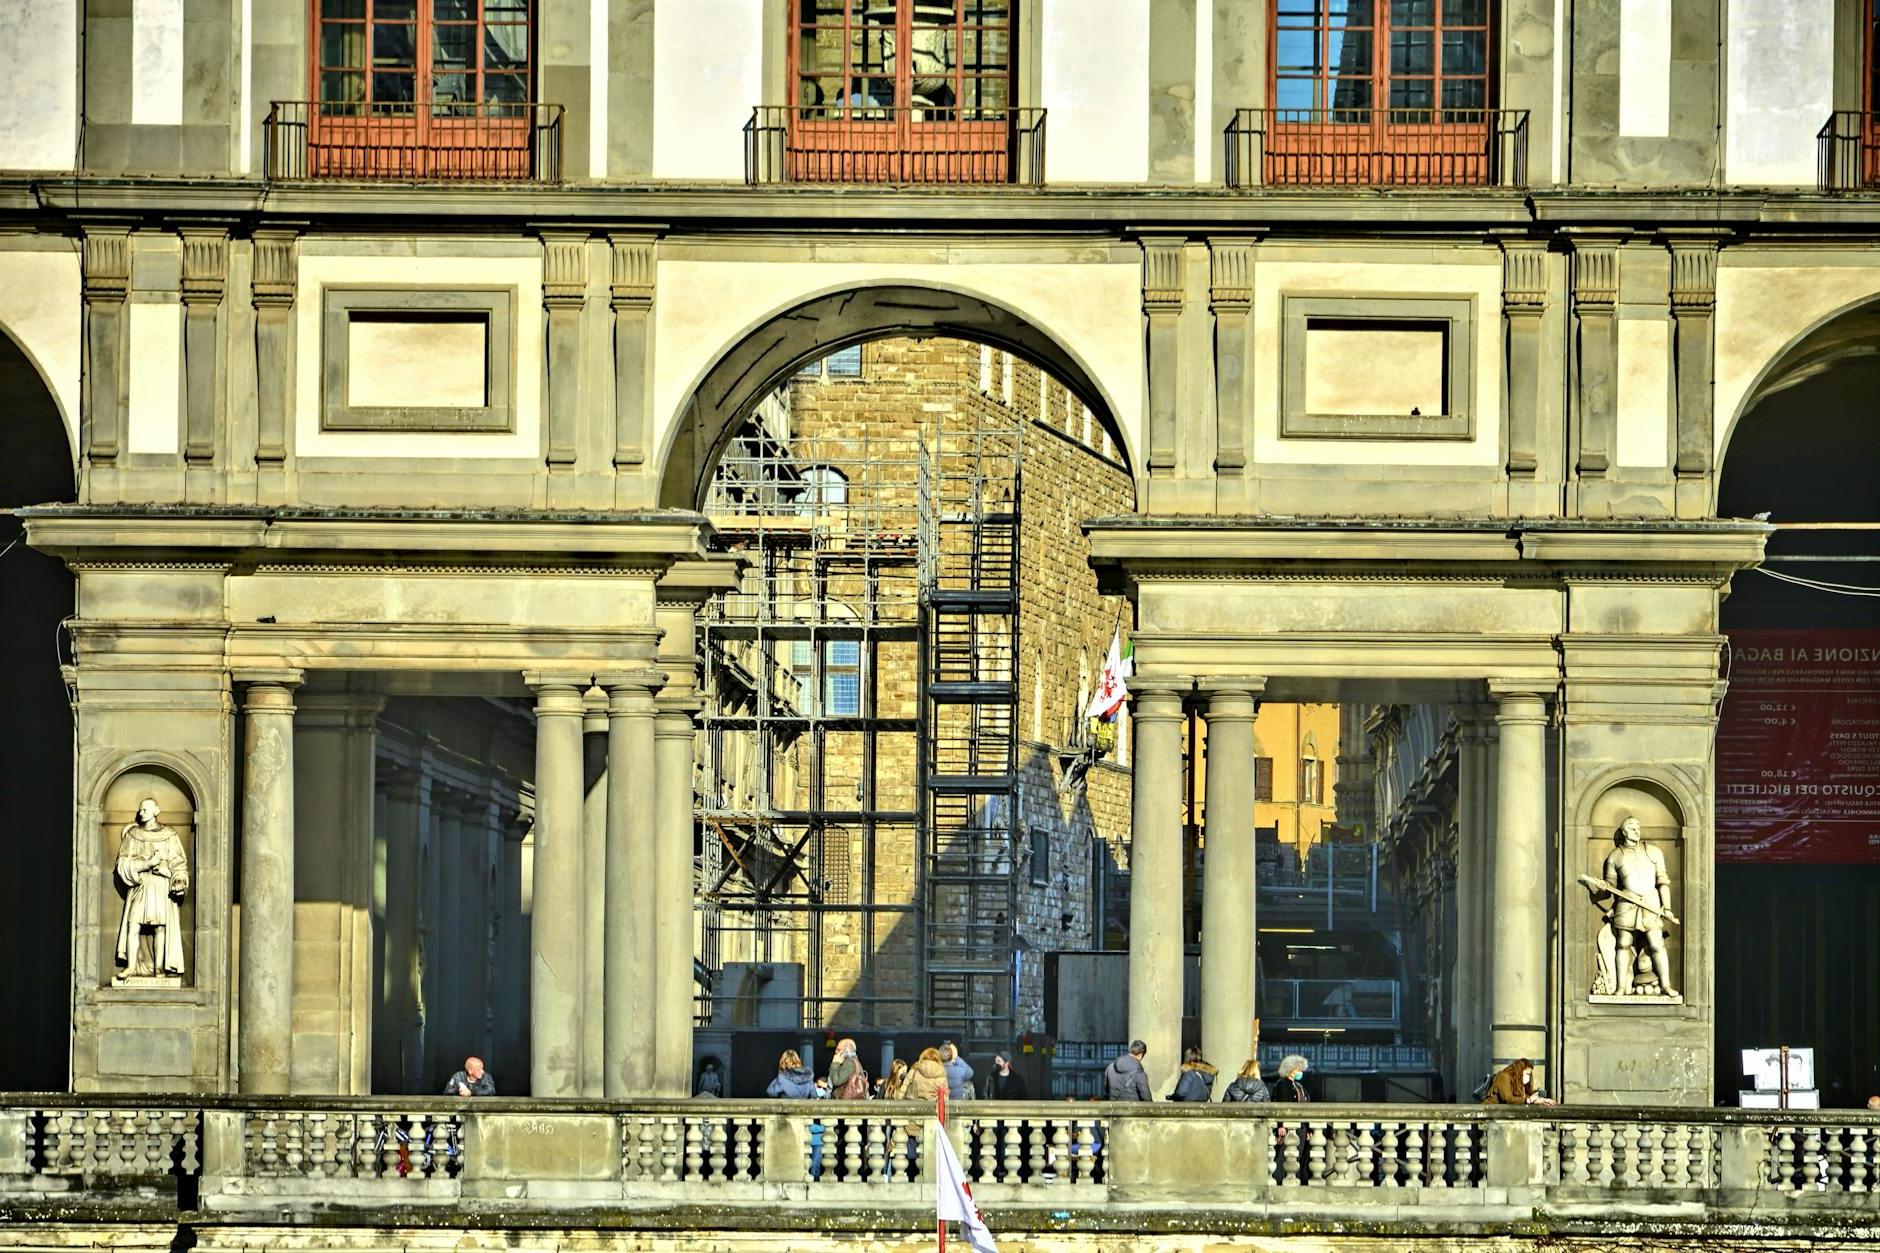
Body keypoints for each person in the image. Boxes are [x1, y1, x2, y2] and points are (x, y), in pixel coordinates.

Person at [1590, 816, 1679, 998]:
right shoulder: (1615, 856)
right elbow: (1609, 889)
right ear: (1623, 832)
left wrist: (1667, 908)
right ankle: (1621, 988)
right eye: (1632, 827)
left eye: (1638, 827)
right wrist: (1599, 891)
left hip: (1651, 902)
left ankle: (1666, 985)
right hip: (1627, 903)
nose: (1636, 830)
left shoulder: (1654, 852)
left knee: (1656, 944)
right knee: (1623, 944)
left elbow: (1662, 882)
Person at [114, 799, 190, 979]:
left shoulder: (169, 835)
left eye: (146, 809)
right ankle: (131, 967)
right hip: (140, 885)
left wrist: (175, 876)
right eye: (140, 809)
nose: (142, 812)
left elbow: (179, 863)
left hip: (160, 886)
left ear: (157, 810)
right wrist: (147, 863)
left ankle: (159, 968)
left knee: (160, 928)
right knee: (133, 925)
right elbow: (122, 862)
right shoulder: (133, 835)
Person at [1481, 1058, 1556, 1106]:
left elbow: (1520, 1097)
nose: (1528, 1077)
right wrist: (1528, 1100)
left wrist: (1539, 1099)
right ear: (1520, 1072)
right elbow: (1508, 1098)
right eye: (1527, 1074)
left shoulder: (1517, 1082)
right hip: (1488, 1110)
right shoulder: (1503, 1077)